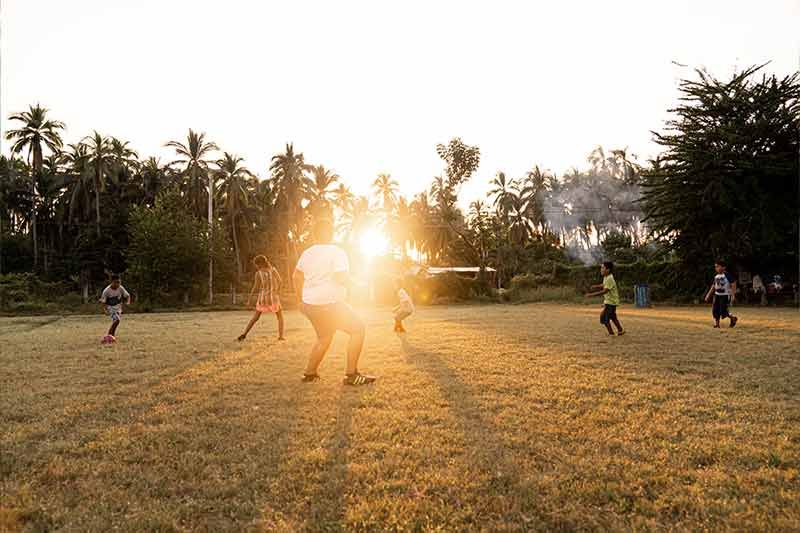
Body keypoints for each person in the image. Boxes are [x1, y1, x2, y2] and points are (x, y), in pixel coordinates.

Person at [293, 218, 375, 385]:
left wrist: (300, 300)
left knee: (324, 337)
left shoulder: (307, 253)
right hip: (330, 304)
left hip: (310, 305)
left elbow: (296, 276)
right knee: (358, 329)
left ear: (314, 235)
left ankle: (309, 374)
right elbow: (341, 276)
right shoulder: (337, 252)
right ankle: (351, 375)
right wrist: (358, 285)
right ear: (331, 234)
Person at [237, 255, 285, 342]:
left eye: (256, 264)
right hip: (273, 298)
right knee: (280, 317)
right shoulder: (273, 270)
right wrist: (278, 292)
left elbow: (255, 287)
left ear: (260, 263)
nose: (256, 266)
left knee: (255, 318)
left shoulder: (258, 274)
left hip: (262, 298)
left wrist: (249, 299)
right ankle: (281, 337)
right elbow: (280, 281)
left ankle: (244, 334)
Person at [586, 261, 625, 336]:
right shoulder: (606, 277)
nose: (601, 269)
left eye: (603, 268)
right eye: (601, 268)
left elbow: (605, 291)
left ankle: (611, 334)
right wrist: (596, 286)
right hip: (611, 302)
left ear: (608, 270)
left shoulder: (610, 278)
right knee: (613, 317)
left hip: (611, 302)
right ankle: (620, 330)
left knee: (604, 318)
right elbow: (604, 284)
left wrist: (591, 295)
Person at [705, 259, 738, 328]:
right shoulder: (716, 276)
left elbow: (733, 283)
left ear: (723, 267)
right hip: (717, 295)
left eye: (718, 266)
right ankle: (717, 324)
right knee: (715, 309)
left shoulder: (727, 275)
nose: (716, 268)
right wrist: (708, 294)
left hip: (725, 295)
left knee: (723, 310)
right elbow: (714, 286)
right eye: (715, 267)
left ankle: (733, 318)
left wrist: (733, 295)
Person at [99, 273, 131, 342]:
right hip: (110, 308)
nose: (118, 284)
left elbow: (128, 296)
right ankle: (109, 335)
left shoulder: (120, 288)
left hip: (118, 308)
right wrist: (105, 310)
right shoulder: (106, 291)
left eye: (119, 282)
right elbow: (103, 302)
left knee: (116, 322)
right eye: (116, 282)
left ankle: (112, 336)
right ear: (111, 282)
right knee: (117, 320)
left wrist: (128, 302)